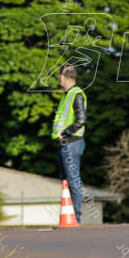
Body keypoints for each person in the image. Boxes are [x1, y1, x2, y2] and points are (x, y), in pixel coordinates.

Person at [52, 64, 87, 222]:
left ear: (62, 76)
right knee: (67, 181)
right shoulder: (67, 95)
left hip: (71, 143)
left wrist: (65, 133)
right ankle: (70, 216)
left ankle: (76, 218)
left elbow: (81, 120)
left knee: (72, 181)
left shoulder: (76, 94)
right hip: (66, 144)